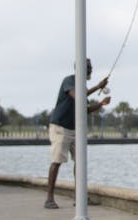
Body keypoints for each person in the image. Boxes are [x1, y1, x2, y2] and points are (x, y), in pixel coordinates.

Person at [44, 59, 111, 209]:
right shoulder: (69, 81)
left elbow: (85, 109)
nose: (91, 71)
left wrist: (100, 104)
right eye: (89, 68)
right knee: (56, 161)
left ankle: (80, 198)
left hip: (76, 129)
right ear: (82, 69)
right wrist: (98, 86)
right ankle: (49, 199)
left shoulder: (82, 86)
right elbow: (78, 96)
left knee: (80, 162)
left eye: (91, 68)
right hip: (60, 127)